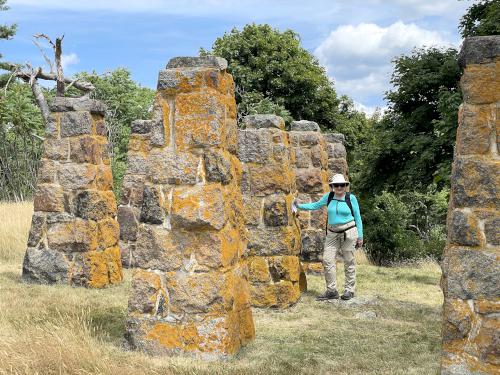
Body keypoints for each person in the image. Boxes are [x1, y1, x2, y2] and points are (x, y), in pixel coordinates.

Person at [294, 174, 363, 301]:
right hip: (332, 233)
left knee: (349, 261)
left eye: (342, 185)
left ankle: (349, 290)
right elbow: (315, 206)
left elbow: (358, 217)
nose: (339, 187)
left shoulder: (351, 198)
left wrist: (360, 236)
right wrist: (299, 206)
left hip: (349, 232)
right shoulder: (329, 197)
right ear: (332, 186)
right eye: (336, 185)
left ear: (346, 186)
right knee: (327, 260)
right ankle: (332, 290)